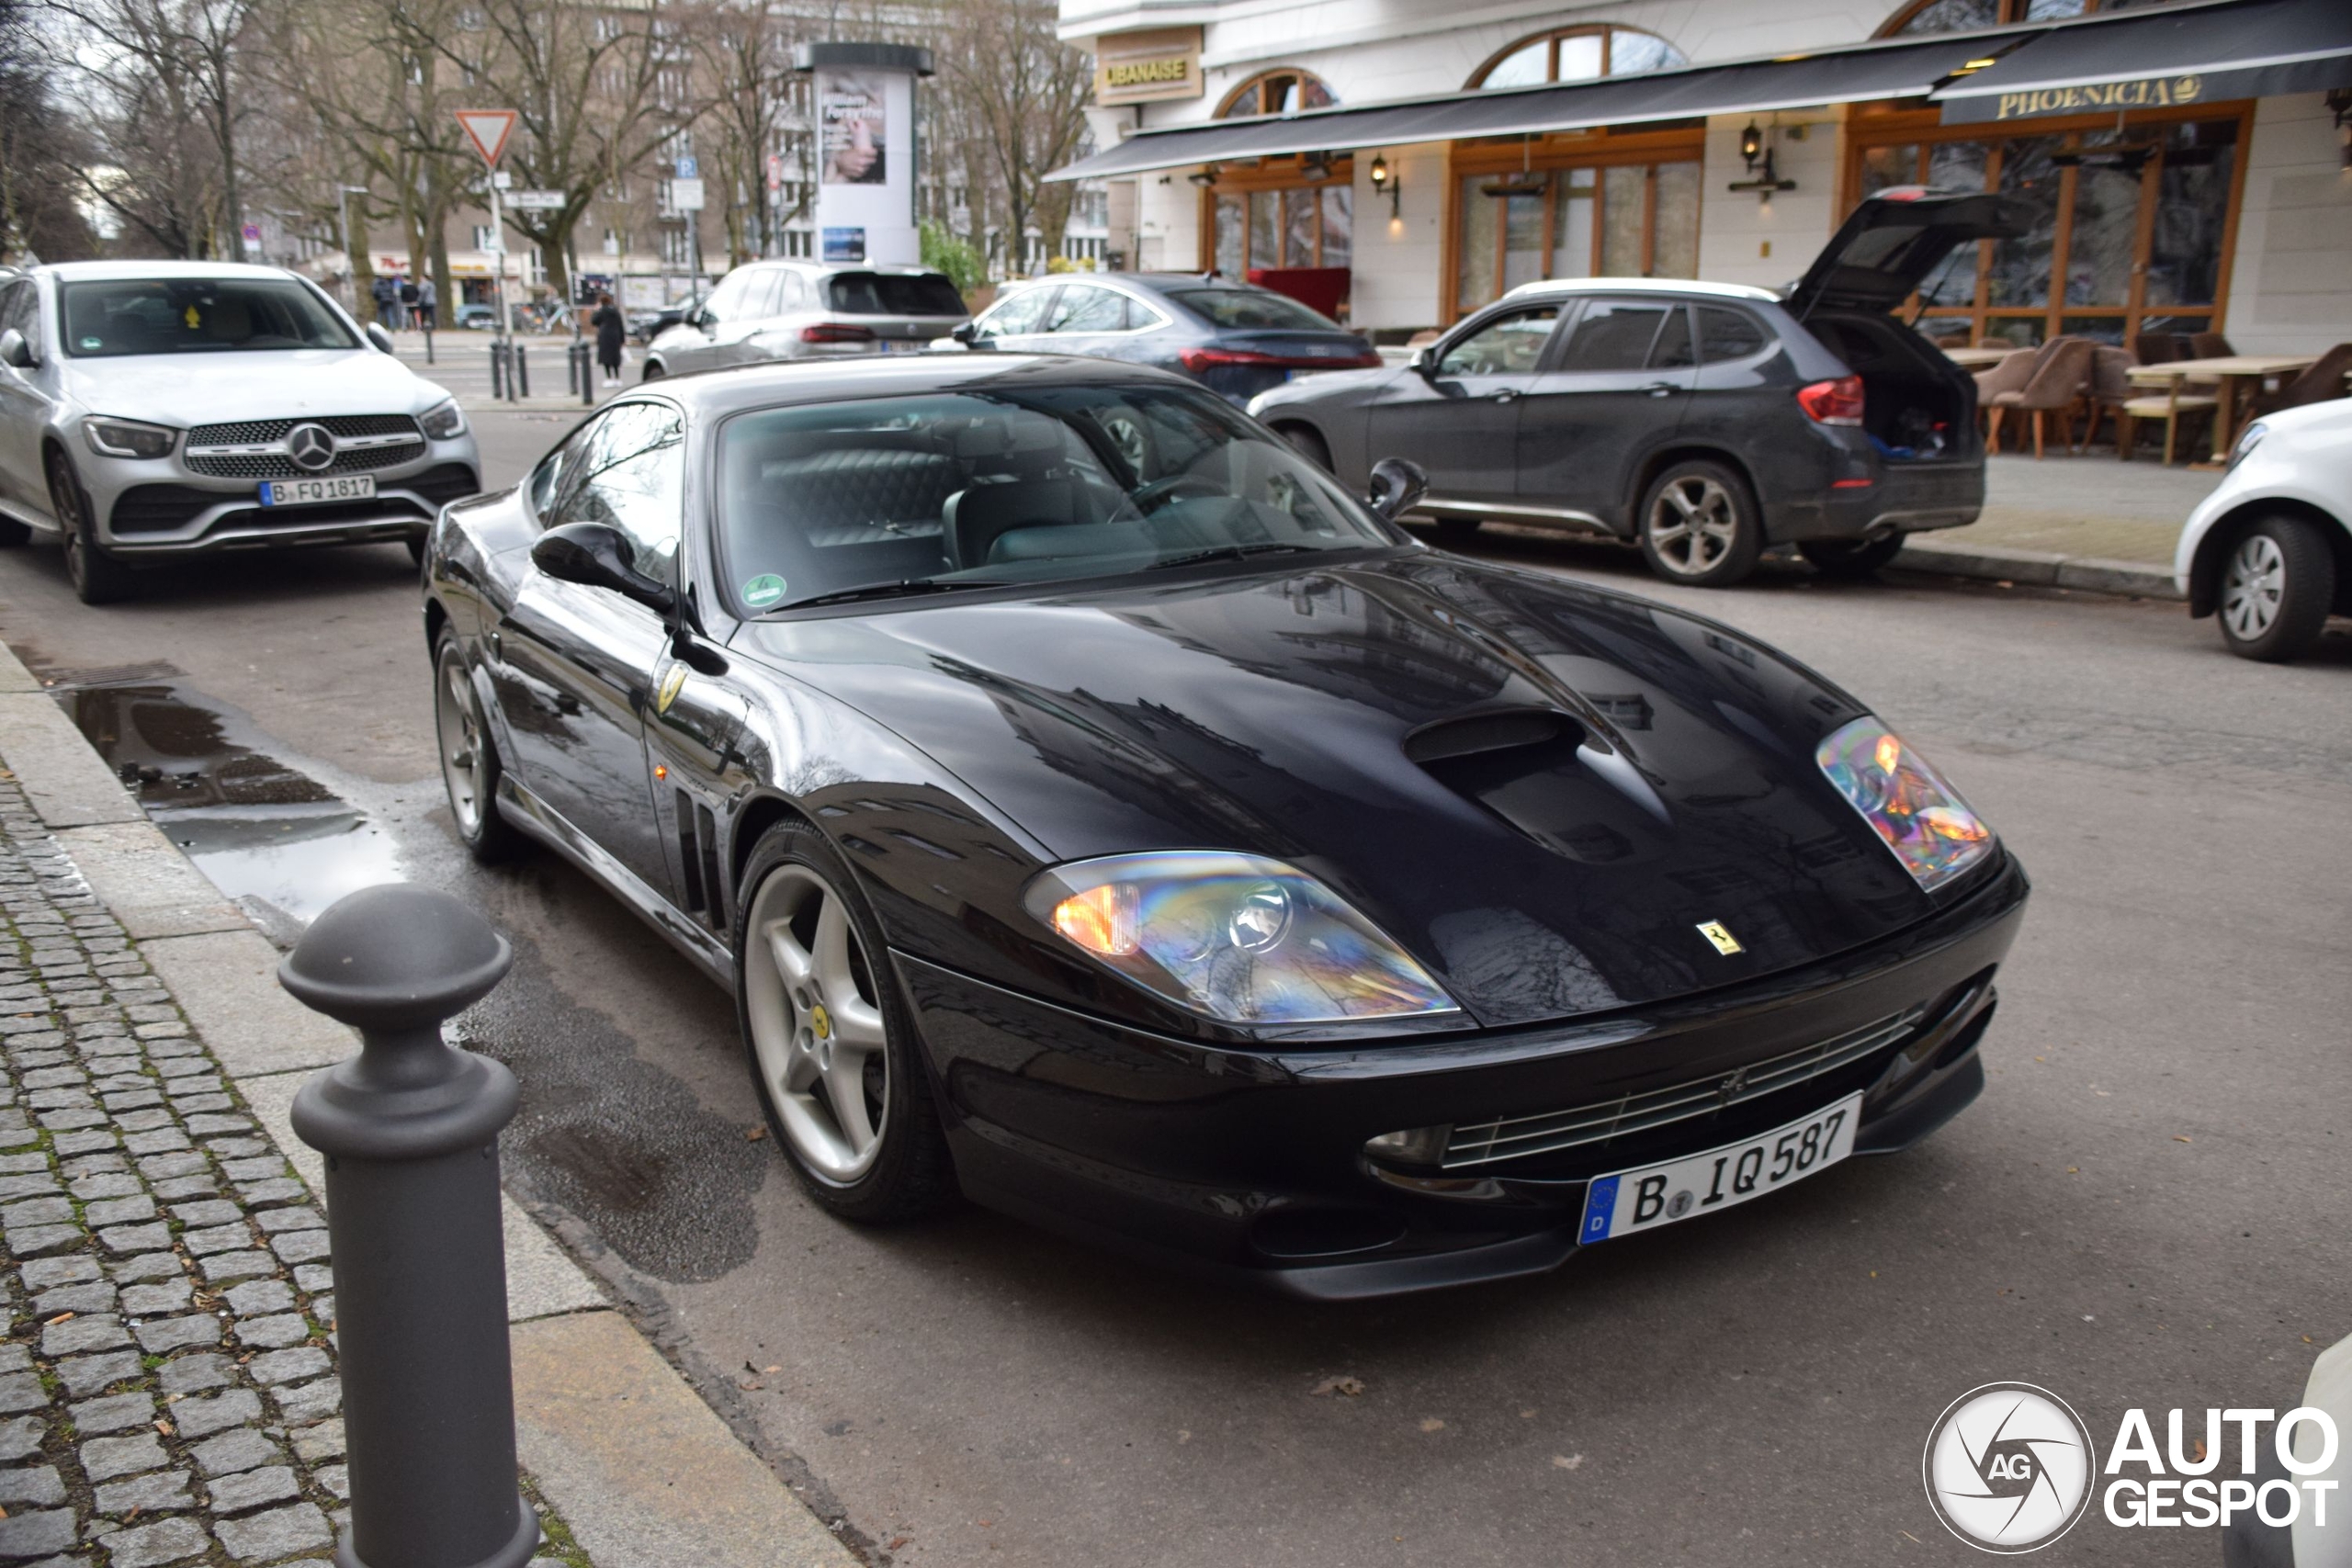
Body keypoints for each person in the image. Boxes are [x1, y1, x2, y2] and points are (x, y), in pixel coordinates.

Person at [590, 291, 625, 389]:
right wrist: (622, 339)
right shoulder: (615, 310)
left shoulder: (602, 311)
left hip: (605, 336)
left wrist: (595, 310)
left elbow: (594, 321)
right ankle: (617, 378)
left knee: (606, 358)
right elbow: (620, 325)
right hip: (615, 336)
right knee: (615, 358)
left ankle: (609, 378)